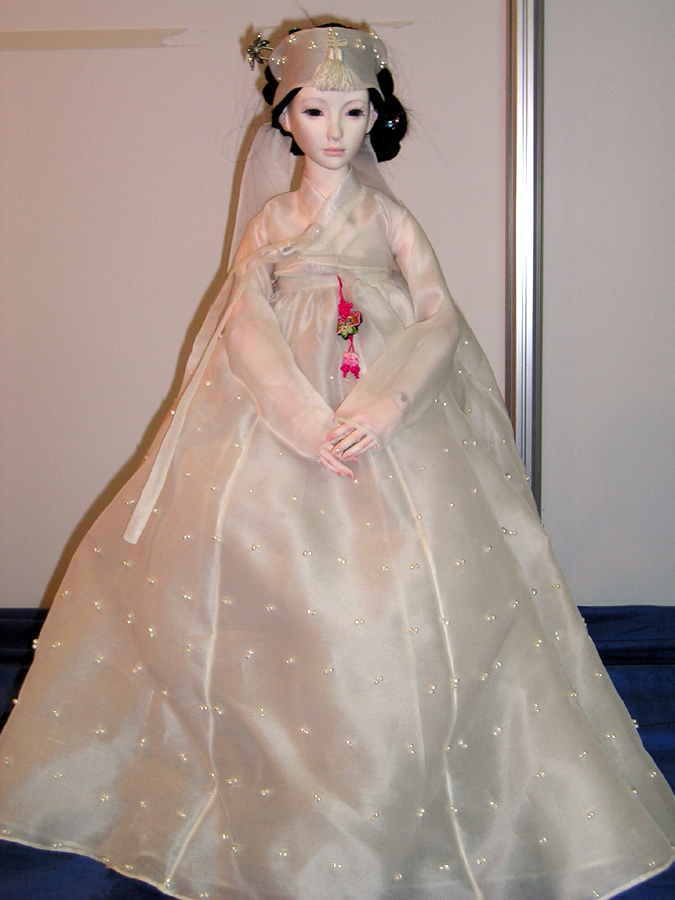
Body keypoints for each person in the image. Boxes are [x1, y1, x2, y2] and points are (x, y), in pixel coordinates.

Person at [0, 23, 674, 900]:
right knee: (257, 560)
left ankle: (405, 759)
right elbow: (245, 321)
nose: (334, 130)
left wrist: (384, 403)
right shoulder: (272, 221)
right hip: (278, 415)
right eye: (315, 110)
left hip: (388, 411)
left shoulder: (389, 218)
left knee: (412, 571)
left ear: (374, 117)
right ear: (284, 117)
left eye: (353, 112)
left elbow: (436, 315)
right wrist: (298, 416)